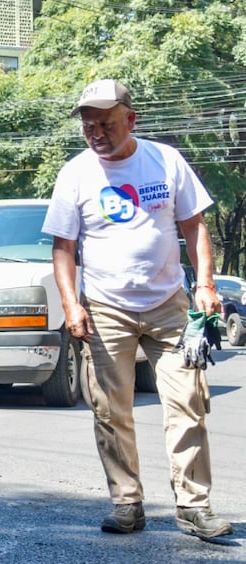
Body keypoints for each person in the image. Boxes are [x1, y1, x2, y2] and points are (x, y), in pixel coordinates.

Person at [42, 79, 233, 539]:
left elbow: (195, 226)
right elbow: (64, 248)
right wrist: (72, 304)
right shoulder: (75, 174)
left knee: (187, 404)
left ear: (131, 119)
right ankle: (127, 503)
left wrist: (205, 284)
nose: (96, 134)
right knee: (111, 410)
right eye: (88, 127)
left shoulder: (165, 160)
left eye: (106, 124)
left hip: (170, 307)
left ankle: (193, 505)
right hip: (106, 309)